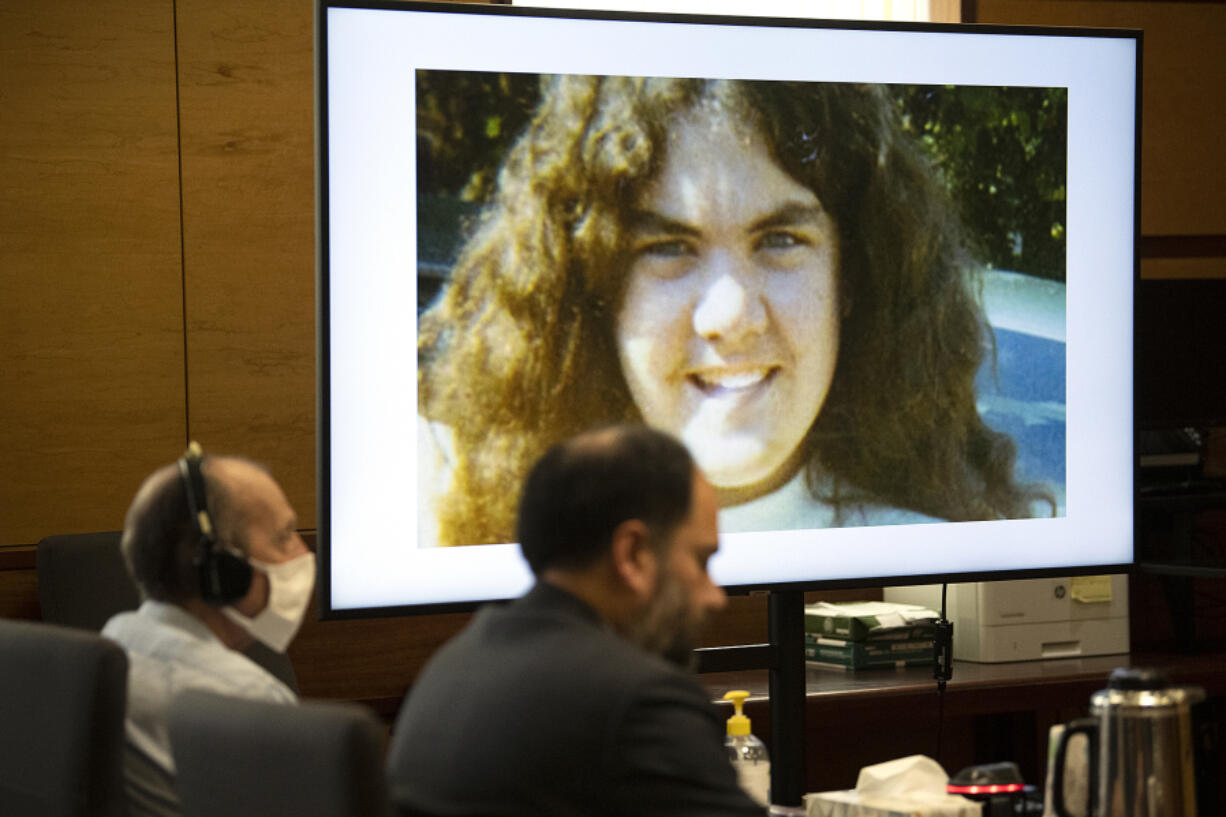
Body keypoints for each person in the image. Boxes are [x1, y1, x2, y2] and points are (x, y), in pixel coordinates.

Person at [417, 76, 1053, 548]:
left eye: (780, 240)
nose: (730, 315)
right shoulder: (445, 524)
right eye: (667, 247)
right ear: (592, 290)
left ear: (852, 279)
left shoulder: (940, 556)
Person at [389, 425, 765, 817]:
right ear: (633, 554)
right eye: (701, 561)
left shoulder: (452, 666)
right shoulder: (639, 703)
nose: (715, 595)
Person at [102, 443, 315, 817]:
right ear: (221, 571)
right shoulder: (247, 701)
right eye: (283, 537)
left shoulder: (110, 645)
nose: (303, 554)